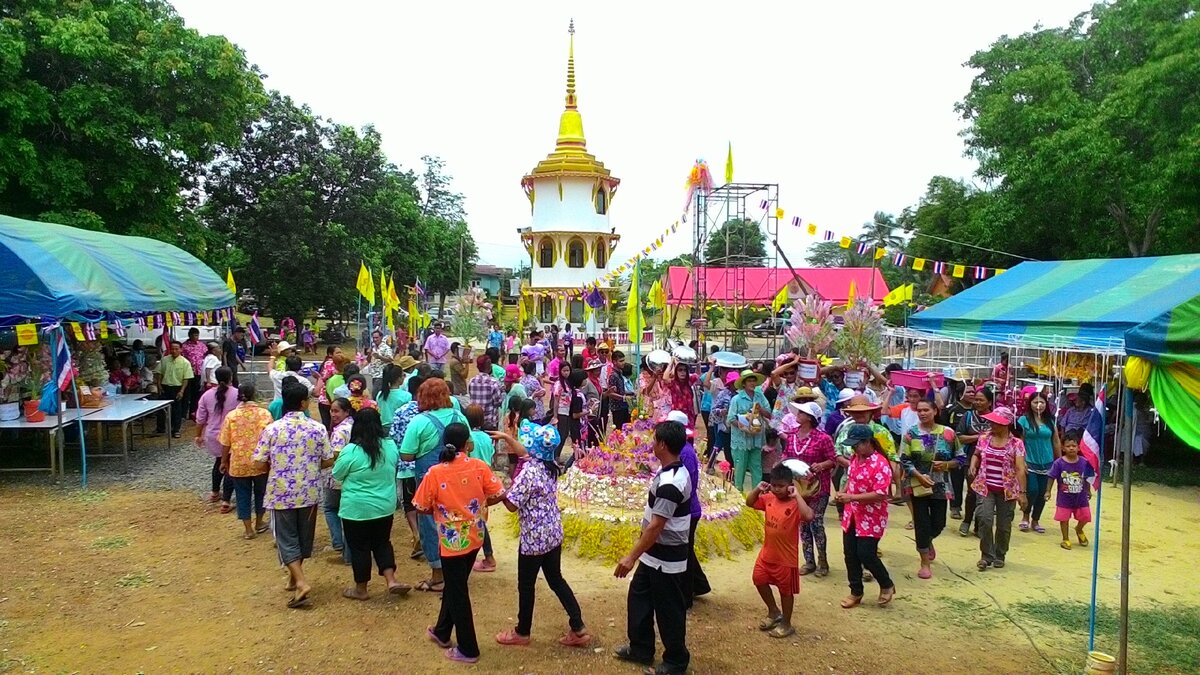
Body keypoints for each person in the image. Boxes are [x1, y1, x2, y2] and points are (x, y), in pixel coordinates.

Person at [489, 421, 591, 647]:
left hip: (534, 538)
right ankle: (578, 627)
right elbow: (527, 452)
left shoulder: (529, 473)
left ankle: (522, 632)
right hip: (552, 532)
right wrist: (506, 438)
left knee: (526, 585)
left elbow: (512, 505)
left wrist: (498, 489)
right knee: (556, 579)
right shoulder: (549, 463)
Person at [413, 421, 505, 665]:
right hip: (475, 535)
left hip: (452, 541)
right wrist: (479, 507)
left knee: (457, 591)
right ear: (468, 444)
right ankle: (442, 632)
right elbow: (498, 493)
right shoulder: (478, 466)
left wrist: (442, 509)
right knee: (456, 586)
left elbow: (420, 506)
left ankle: (468, 648)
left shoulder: (435, 472)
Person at [613, 421, 692, 675]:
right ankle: (640, 648)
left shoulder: (672, 482)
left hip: (666, 557)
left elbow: (657, 525)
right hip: (654, 555)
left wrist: (630, 557)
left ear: (663, 445)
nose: (651, 443)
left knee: (669, 610)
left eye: (654, 439)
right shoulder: (668, 472)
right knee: (639, 599)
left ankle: (675, 661)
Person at [251, 381, 333, 608]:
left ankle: (301, 582)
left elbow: (258, 464)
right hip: (309, 492)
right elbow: (327, 460)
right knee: (304, 537)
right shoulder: (317, 428)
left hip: (281, 493)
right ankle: (295, 577)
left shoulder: (272, 429)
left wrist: (276, 467)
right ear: (304, 403)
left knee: (286, 538)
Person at [332, 407, 411, 600]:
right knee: (382, 543)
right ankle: (391, 580)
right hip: (384, 506)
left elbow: (337, 474)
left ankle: (361, 589)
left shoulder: (350, 451)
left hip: (356, 509)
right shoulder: (390, 446)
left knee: (359, 548)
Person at [401, 378, 469, 593]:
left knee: (430, 523)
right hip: (460, 480)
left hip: (430, 480)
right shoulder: (460, 417)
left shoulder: (419, 422)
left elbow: (407, 454)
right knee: (458, 519)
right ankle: (459, 569)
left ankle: (438, 575)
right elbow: (471, 446)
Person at [832, 424, 896, 609]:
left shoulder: (880, 464)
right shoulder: (855, 458)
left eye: (856, 444)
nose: (854, 448)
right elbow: (851, 479)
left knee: (866, 553)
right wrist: (842, 493)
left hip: (872, 516)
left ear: (868, 442)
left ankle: (886, 584)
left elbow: (881, 493)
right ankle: (856, 591)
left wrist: (851, 497)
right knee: (850, 553)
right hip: (852, 514)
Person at [747, 464, 815, 639]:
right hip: (767, 554)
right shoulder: (768, 497)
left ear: (790, 484)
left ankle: (787, 622)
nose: (777, 489)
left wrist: (797, 495)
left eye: (781, 486)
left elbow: (808, 516)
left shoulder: (795, 504)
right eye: (774, 485)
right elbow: (750, 502)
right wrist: (757, 489)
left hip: (786, 559)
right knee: (758, 579)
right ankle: (773, 611)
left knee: (786, 592)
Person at [898, 399, 962, 579]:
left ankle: (927, 540)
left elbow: (961, 458)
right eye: (919, 410)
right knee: (921, 522)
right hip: (917, 484)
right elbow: (904, 459)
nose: (922, 413)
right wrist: (918, 475)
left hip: (940, 484)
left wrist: (947, 464)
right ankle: (924, 562)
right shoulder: (911, 434)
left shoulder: (948, 434)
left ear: (935, 411)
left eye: (926, 410)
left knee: (939, 523)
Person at [781, 400, 837, 577]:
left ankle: (822, 561)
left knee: (816, 523)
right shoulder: (792, 436)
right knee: (803, 525)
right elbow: (787, 455)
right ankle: (809, 561)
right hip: (798, 488)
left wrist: (820, 466)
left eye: (801, 413)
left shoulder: (823, 438)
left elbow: (832, 460)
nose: (797, 415)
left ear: (810, 418)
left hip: (818, 488)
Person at [968, 406, 1028, 571]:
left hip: (1007, 490)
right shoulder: (984, 438)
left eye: (996, 422)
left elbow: (1020, 468)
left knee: (1003, 525)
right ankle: (986, 555)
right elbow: (977, 453)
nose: (992, 425)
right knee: (985, 519)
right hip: (985, 486)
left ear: (1006, 424)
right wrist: (973, 464)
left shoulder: (1017, 443)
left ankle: (1000, 554)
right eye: (991, 422)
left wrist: (1022, 493)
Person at [665, 410, 711, 609]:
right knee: (686, 549)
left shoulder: (685, 453)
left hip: (686, 510)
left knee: (683, 552)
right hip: (687, 509)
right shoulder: (682, 449)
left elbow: (686, 485)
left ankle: (686, 597)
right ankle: (699, 585)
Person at [218, 382, 273, 538]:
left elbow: (225, 442)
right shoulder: (264, 414)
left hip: (238, 462)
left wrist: (223, 461)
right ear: (255, 395)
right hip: (260, 461)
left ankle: (248, 529)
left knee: (242, 494)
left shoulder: (231, 416)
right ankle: (260, 522)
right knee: (261, 492)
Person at [195, 366, 239, 512]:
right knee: (229, 466)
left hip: (213, 435)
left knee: (219, 461)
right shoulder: (237, 394)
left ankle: (214, 492)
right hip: (231, 435)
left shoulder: (206, 395)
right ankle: (226, 501)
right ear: (230, 377)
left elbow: (200, 418)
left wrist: (198, 435)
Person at [1018, 391, 1060, 534]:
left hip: (1048, 463)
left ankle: (1036, 520)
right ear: (1030, 404)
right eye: (1035, 402)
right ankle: (1025, 516)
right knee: (1032, 490)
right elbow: (1019, 442)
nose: (1039, 405)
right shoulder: (1023, 420)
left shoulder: (1050, 421)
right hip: (1030, 461)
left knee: (1043, 493)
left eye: (1042, 402)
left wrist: (1059, 462)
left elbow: (1056, 442)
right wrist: (1021, 461)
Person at [464, 404, 499, 573]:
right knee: (479, 518)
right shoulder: (486, 437)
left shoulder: (468, 438)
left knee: (477, 520)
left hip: (473, 480)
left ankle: (489, 556)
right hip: (486, 479)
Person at [1048, 431, 1095, 550]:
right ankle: (1065, 538)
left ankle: (1079, 529)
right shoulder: (1059, 463)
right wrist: (1047, 491)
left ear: (1079, 447)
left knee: (1085, 516)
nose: (1071, 448)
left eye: (1074, 446)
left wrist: (1088, 490)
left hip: (1081, 497)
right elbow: (1051, 477)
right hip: (1064, 498)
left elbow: (1086, 478)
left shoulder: (1084, 462)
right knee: (1064, 519)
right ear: (1063, 448)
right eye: (1068, 446)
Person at [322, 397, 354, 564]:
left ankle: (338, 542)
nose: (333, 414)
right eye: (332, 410)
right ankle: (347, 551)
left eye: (336, 411)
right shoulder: (353, 425)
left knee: (330, 508)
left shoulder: (340, 431)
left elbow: (335, 454)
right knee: (347, 516)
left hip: (337, 477)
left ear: (346, 411)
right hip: (352, 477)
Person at [957, 388, 994, 535]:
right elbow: (959, 437)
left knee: (985, 494)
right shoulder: (968, 416)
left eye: (981, 400)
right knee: (972, 491)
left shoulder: (996, 418)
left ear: (989, 402)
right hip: (970, 458)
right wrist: (981, 437)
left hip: (991, 461)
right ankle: (967, 521)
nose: (977, 402)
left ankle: (980, 525)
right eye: (976, 400)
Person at [727, 369, 770, 493]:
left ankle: (757, 496)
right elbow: (730, 418)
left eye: (753, 381)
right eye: (749, 381)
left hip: (756, 438)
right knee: (739, 469)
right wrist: (743, 425)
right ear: (744, 384)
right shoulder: (736, 399)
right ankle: (738, 496)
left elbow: (769, 414)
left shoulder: (760, 396)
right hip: (741, 439)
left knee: (756, 468)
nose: (752, 383)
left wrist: (760, 409)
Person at [154, 340, 192, 438]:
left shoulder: (185, 362)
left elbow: (186, 378)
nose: (174, 351)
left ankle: (175, 430)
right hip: (165, 387)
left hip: (177, 388)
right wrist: (159, 385)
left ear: (180, 350)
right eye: (172, 349)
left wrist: (182, 391)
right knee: (161, 409)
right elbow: (159, 373)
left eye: (176, 349)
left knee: (176, 410)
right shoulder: (164, 360)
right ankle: (160, 428)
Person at [468, 355, 504, 431]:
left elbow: (471, 396)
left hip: (475, 419)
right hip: (490, 421)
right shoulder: (494, 383)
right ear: (489, 366)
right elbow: (498, 402)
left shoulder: (471, 381)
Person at [180, 327, 207, 419]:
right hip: (188, 372)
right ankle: (183, 414)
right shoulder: (184, 346)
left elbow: (205, 355)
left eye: (197, 335)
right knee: (187, 394)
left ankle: (193, 413)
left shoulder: (202, 345)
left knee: (196, 394)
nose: (196, 337)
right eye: (194, 335)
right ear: (190, 335)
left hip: (198, 372)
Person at [314, 346, 340, 430]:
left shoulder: (336, 364)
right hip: (326, 399)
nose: (340, 354)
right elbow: (325, 377)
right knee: (330, 425)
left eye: (341, 352)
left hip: (330, 399)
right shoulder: (329, 363)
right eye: (337, 353)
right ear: (330, 354)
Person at [666, 363, 698, 429]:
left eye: (684, 370)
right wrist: (671, 362)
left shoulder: (689, 381)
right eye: (680, 370)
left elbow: (697, 374)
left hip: (689, 416)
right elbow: (665, 378)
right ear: (676, 372)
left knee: (689, 437)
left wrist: (698, 363)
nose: (683, 372)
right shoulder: (673, 383)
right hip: (677, 415)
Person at [606, 351, 631, 431]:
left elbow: (620, 390)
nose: (623, 363)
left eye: (623, 360)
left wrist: (629, 394)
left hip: (623, 406)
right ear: (614, 362)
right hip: (617, 408)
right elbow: (611, 393)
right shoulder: (613, 375)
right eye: (621, 361)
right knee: (619, 431)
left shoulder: (620, 373)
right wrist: (624, 397)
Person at [364, 330, 393, 396]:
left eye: (377, 337)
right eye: (373, 338)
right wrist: (369, 354)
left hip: (381, 374)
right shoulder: (373, 348)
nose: (375, 339)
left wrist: (380, 357)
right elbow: (368, 360)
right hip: (373, 374)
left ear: (381, 337)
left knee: (375, 394)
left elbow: (390, 359)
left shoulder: (386, 348)